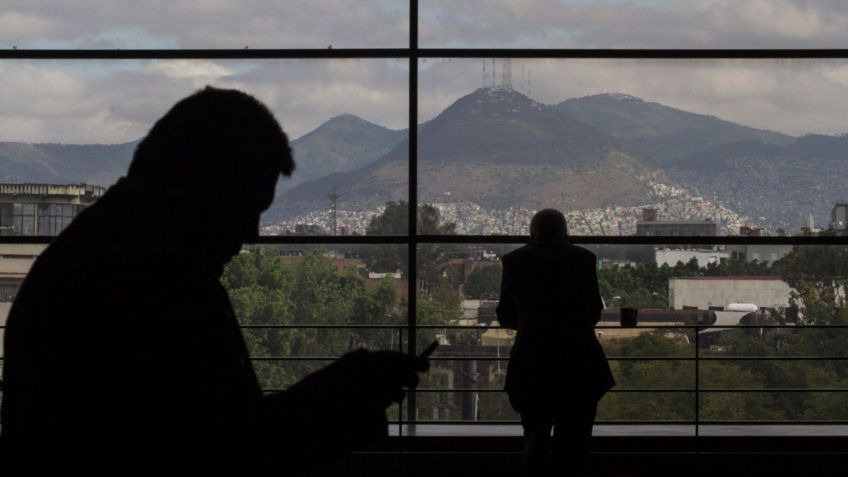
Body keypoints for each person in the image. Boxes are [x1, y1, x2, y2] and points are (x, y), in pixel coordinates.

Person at [0, 87, 427, 476]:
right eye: (247, 209)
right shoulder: (158, 284)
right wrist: (345, 393)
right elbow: (230, 455)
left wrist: (340, 391)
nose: (252, 233)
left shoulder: (103, 259)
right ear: (208, 187)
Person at [496, 209, 614, 477]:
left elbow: (505, 315)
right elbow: (594, 311)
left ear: (532, 232)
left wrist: (530, 324)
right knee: (575, 447)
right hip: (580, 365)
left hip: (533, 364)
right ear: (566, 233)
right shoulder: (584, 259)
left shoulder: (515, 261)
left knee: (535, 443)